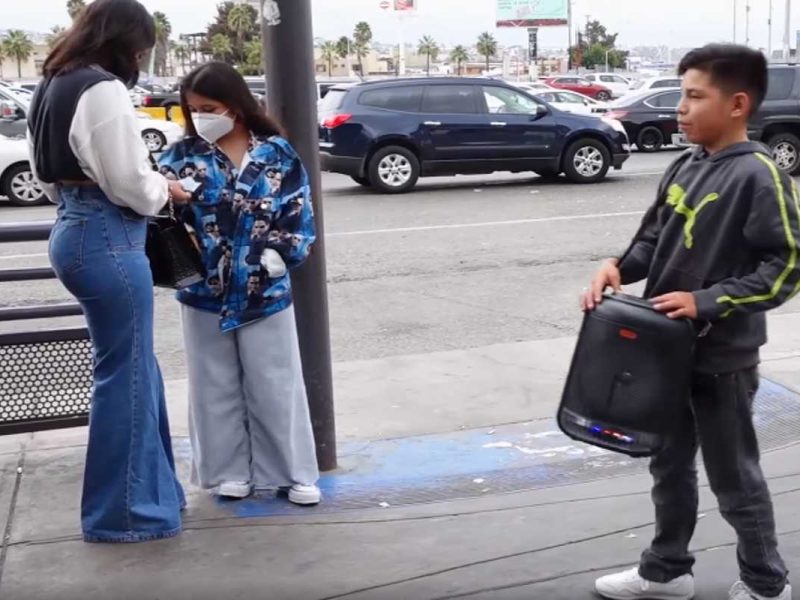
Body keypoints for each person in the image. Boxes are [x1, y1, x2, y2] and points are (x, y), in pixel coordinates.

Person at [582, 44, 795, 600]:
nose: (680, 107)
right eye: (682, 94)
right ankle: (667, 571)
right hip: (666, 353)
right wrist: (616, 267)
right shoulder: (686, 164)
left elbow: (786, 266)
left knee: (734, 477)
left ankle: (766, 583)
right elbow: (653, 242)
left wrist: (708, 301)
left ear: (737, 104)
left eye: (694, 96)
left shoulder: (759, 175)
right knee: (668, 465)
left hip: (723, 360)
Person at [26, 0, 192, 542]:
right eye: (141, 49)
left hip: (73, 229)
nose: (141, 58)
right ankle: (125, 514)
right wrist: (164, 189)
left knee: (133, 366)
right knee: (126, 375)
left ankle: (155, 495)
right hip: (108, 235)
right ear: (125, 42)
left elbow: (45, 175)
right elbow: (128, 181)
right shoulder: (102, 88)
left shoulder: (52, 82)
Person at [158, 62, 320, 504]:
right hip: (203, 291)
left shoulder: (276, 154)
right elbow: (160, 218)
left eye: (209, 108)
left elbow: (299, 213)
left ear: (235, 105)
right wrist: (171, 202)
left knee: (276, 383)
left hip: (264, 290)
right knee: (213, 386)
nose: (200, 117)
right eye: (192, 109)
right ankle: (228, 472)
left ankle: (291, 471)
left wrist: (279, 255)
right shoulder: (179, 157)